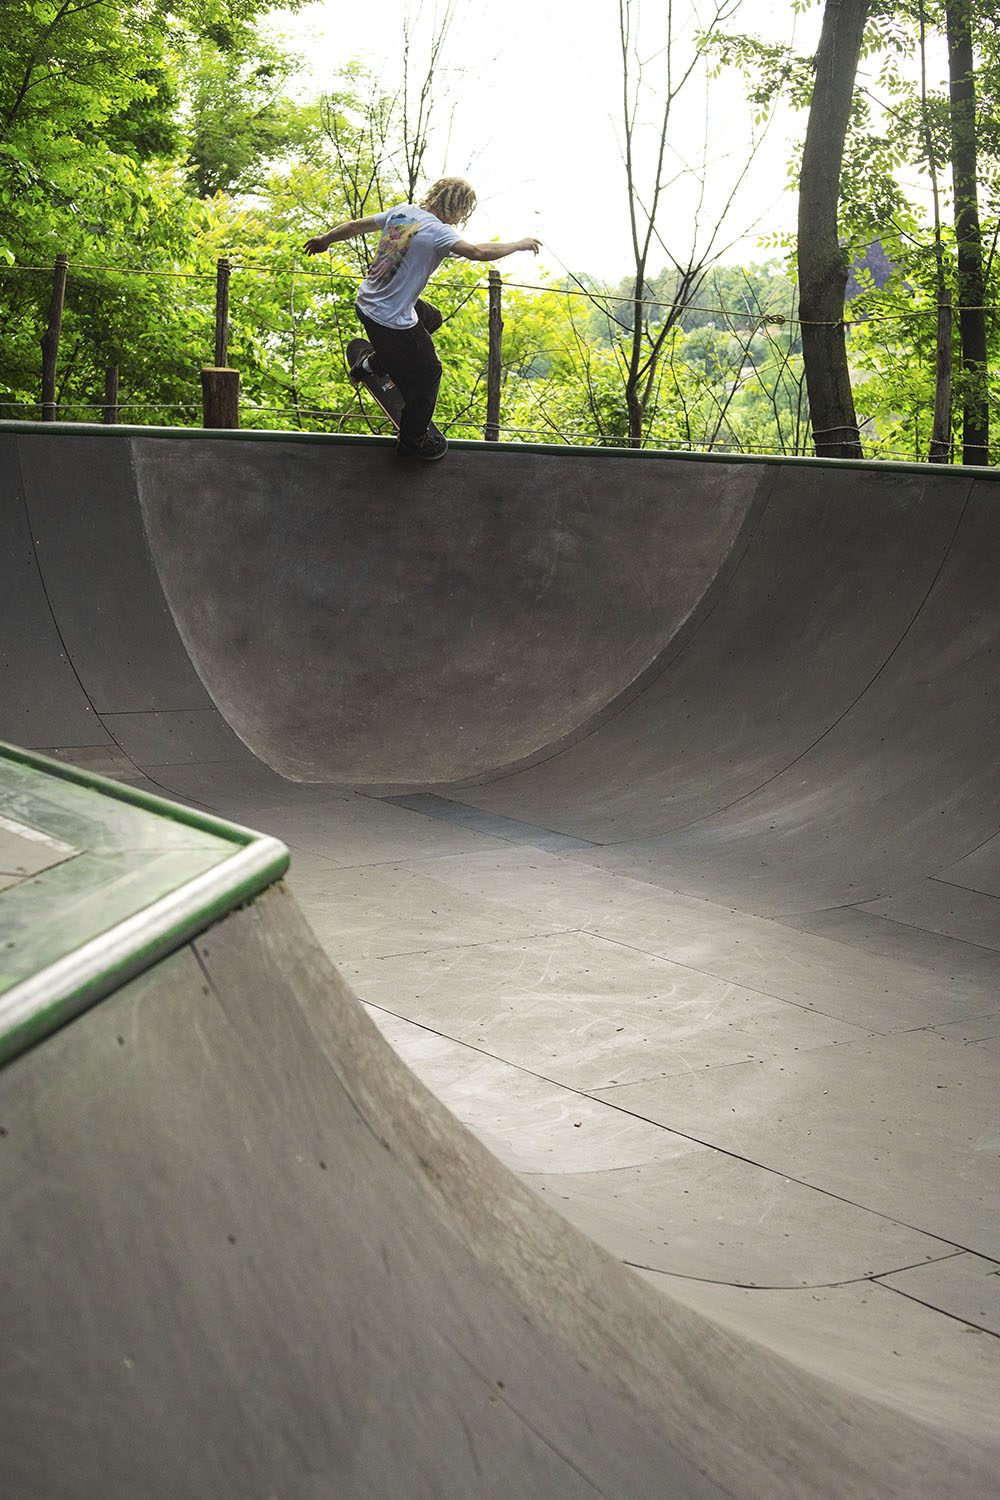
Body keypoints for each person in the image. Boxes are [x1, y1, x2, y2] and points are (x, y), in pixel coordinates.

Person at [303, 177, 541, 460]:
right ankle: (412, 442)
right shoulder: (439, 232)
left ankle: (371, 364)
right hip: (390, 321)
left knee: (431, 317)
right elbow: (478, 252)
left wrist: (325, 240)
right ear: (458, 208)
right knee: (429, 373)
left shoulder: (402, 212)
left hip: (367, 302)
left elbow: (355, 226)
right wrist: (517, 244)